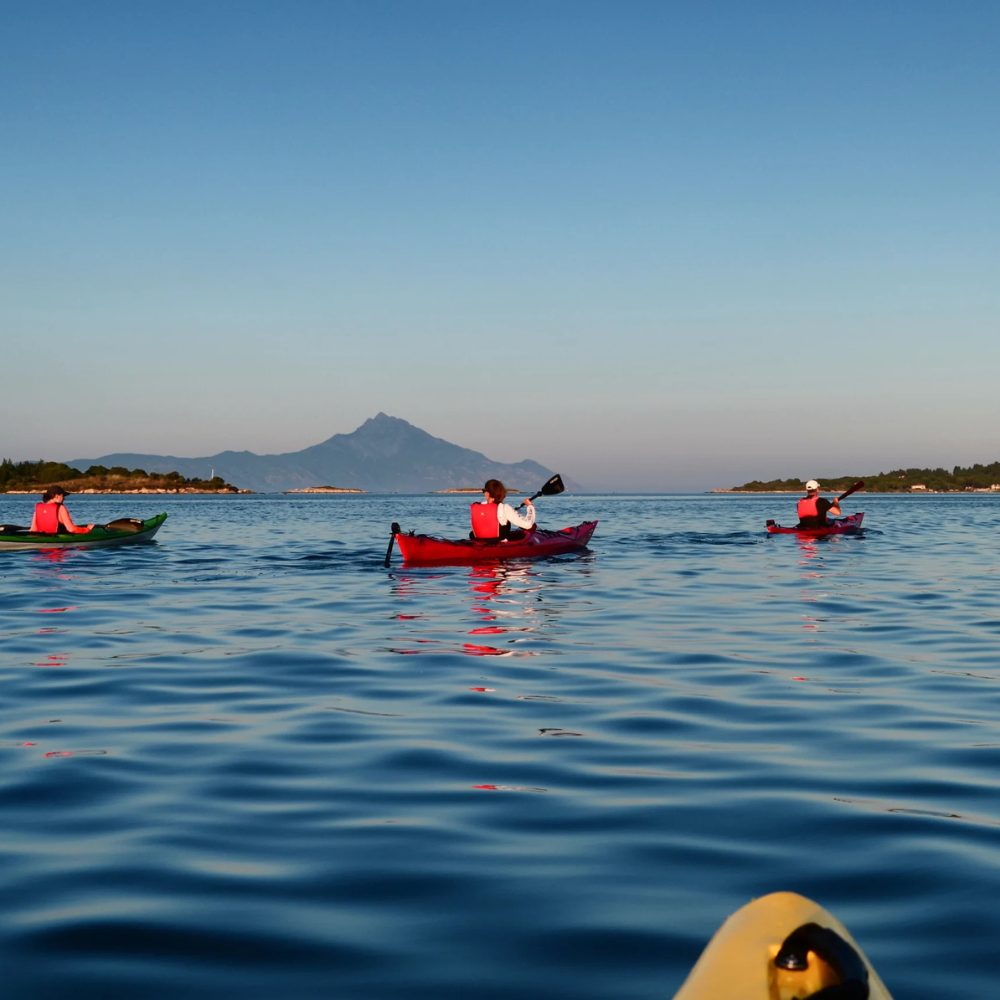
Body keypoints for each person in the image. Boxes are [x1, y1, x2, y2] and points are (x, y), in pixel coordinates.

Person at [470, 479, 535, 540]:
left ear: (487, 493)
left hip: (478, 543)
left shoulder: (478, 506)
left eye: (484, 491)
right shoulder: (504, 508)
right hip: (500, 544)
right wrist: (530, 506)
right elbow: (528, 525)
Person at [29, 486, 95, 534]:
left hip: (42, 543)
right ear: (56, 496)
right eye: (62, 496)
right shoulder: (61, 508)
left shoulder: (39, 509)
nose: (64, 499)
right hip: (59, 546)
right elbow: (71, 529)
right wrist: (87, 529)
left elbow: (33, 529)